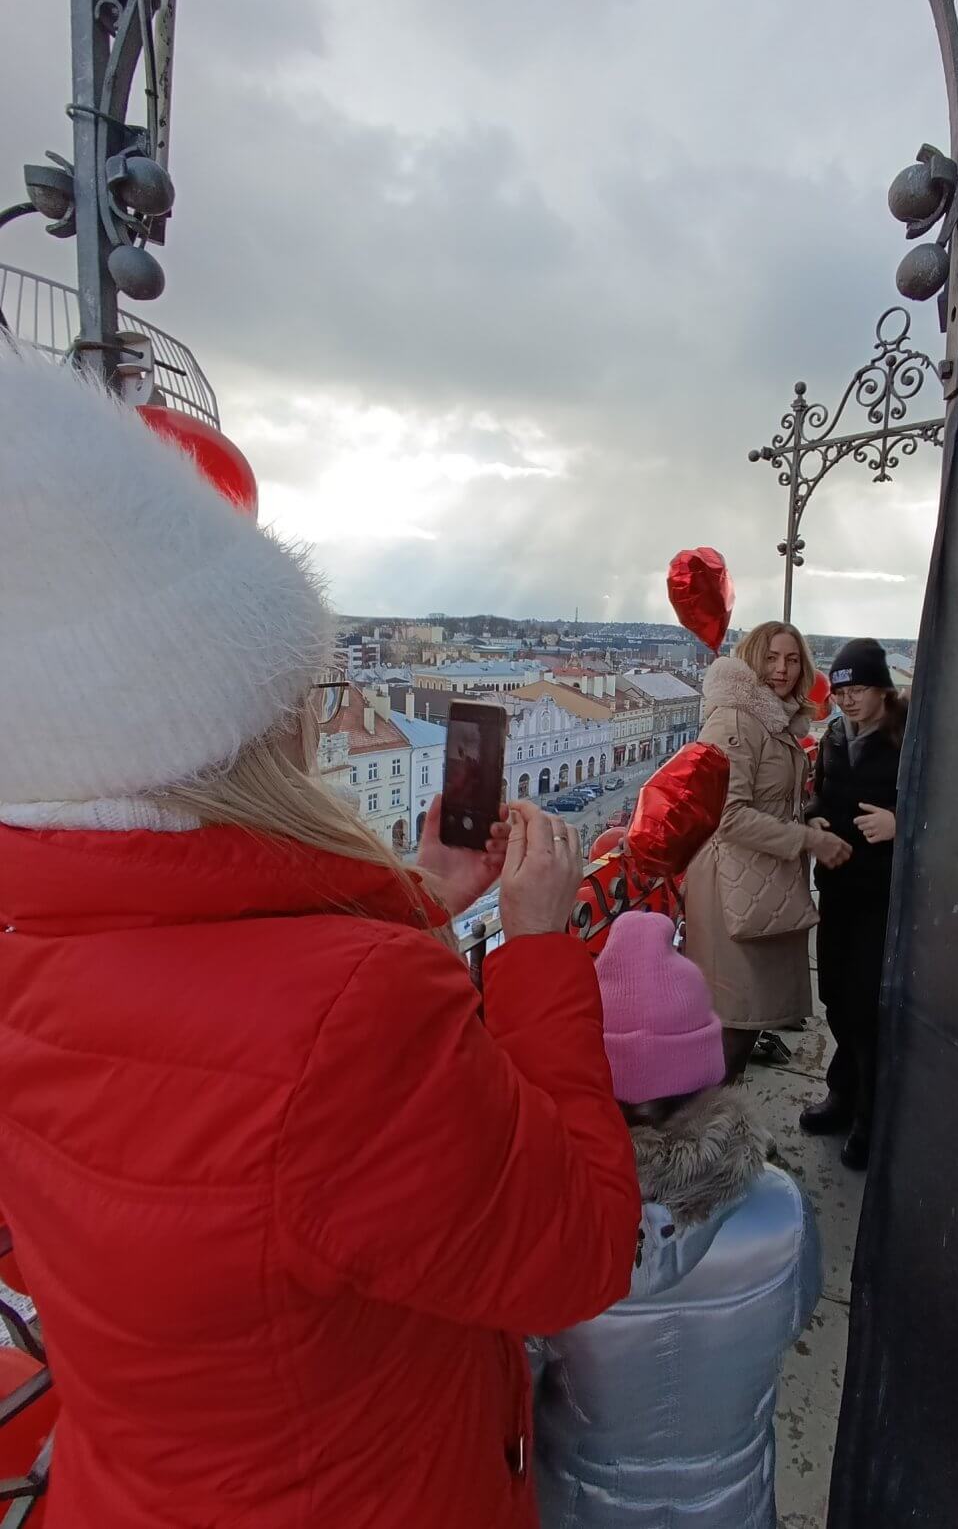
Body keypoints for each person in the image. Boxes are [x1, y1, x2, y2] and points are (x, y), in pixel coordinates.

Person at [0, 349, 641, 1528]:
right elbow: (583, 1250)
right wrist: (542, 947)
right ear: (251, 714)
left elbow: (194, 1163)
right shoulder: (354, 1015)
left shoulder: (31, 958)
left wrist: (414, 898)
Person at [529, 911, 822, 1529]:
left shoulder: (546, 1234)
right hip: (732, 1505)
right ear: (707, 1071)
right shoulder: (783, 1211)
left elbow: (512, 1382)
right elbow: (795, 1314)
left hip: (580, 1507)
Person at [685, 623, 851, 1082]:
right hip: (730, 889)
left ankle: (726, 1127)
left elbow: (772, 801)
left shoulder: (771, 718)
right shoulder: (735, 720)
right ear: (753, 659)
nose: (781, 669)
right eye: (772, 657)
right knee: (734, 1024)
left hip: (760, 881)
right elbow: (729, 815)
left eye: (792, 659)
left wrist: (804, 821)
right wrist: (807, 839)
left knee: (746, 1022)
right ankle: (710, 1134)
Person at [799, 637, 909, 1170]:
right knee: (836, 996)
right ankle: (842, 1093)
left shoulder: (908, 735)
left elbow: (950, 805)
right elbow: (822, 792)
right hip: (837, 887)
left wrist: (899, 825)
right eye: (841, 692)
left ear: (882, 689)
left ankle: (867, 1113)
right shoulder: (835, 739)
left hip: (881, 896)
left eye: (859, 690)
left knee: (865, 1007)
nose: (847, 701)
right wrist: (816, 817)